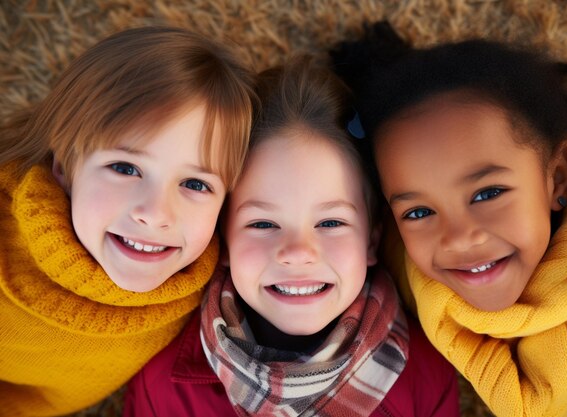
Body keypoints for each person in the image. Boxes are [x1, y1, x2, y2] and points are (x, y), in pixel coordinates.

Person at [123, 57, 460, 417]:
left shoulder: (426, 377)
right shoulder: (161, 387)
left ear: (372, 240)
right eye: (263, 224)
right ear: (223, 240)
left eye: (330, 223)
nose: (298, 252)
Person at [330, 21, 567, 417]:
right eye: (418, 212)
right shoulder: (404, 274)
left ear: (556, 178)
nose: (458, 238)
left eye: (487, 194)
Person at [0, 26, 254, 416]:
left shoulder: (214, 299)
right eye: (125, 167)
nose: (154, 213)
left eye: (194, 183)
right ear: (64, 166)